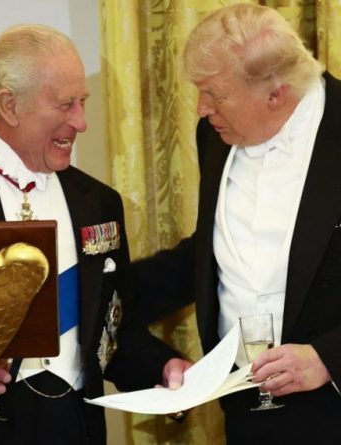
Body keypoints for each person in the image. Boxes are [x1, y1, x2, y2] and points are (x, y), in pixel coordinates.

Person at [0, 24, 179, 444]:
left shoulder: (99, 203)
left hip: (75, 425)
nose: (82, 122)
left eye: (83, 103)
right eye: (66, 104)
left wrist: (164, 368)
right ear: (10, 105)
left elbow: (112, 330)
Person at [131, 4, 341, 443]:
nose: (202, 108)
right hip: (246, 412)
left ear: (275, 93)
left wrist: (328, 358)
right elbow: (214, 253)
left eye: (215, 94)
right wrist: (102, 293)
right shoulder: (216, 135)